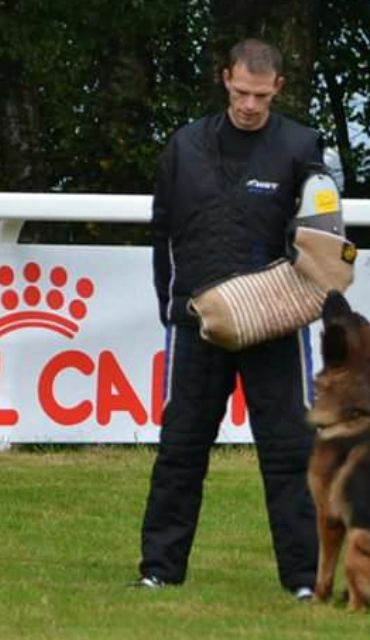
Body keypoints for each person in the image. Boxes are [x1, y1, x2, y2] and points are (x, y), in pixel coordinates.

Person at [131, 38, 322, 600]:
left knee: (289, 451)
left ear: (278, 89)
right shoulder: (184, 145)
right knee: (180, 449)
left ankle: (305, 580)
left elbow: (325, 239)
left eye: (260, 96)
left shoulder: (303, 148)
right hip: (196, 324)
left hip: (274, 327)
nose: (249, 105)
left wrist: (301, 293)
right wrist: (174, 307)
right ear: (225, 81)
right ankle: (159, 571)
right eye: (241, 92)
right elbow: (162, 232)